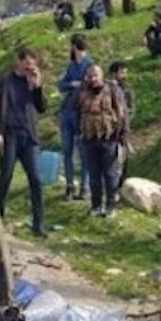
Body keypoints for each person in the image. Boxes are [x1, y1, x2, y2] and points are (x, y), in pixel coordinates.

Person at [0, 47, 48, 236]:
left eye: (33, 65)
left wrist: (37, 87)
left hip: (29, 137)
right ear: (20, 62)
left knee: (36, 180)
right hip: (9, 135)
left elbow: (42, 108)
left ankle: (38, 225)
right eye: (27, 64)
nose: (30, 68)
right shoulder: (2, 82)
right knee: (5, 176)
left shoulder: (32, 84)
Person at [76, 64, 128, 218]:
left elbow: (122, 112)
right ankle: (96, 205)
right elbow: (73, 107)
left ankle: (111, 206)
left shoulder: (112, 89)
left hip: (109, 138)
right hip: (89, 138)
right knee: (94, 175)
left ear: (101, 75)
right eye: (90, 76)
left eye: (95, 75)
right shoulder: (83, 91)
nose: (92, 79)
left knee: (110, 174)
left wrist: (123, 135)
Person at [57, 34, 93, 201]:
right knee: (67, 150)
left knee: (84, 152)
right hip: (67, 112)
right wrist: (72, 84)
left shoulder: (89, 65)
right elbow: (61, 85)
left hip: (81, 113)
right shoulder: (71, 66)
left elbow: (92, 84)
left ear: (74, 46)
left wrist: (80, 84)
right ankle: (70, 186)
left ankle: (84, 186)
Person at [108, 61, 135, 202]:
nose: (125, 75)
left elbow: (131, 109)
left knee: (122, 162)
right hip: (107, 131)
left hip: (122, 130)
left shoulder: (126, 90)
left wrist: (124, 117)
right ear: (114, 73)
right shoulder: (105, 88)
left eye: (125, 72)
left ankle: (119, 189)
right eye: (122, 72)